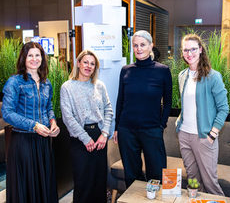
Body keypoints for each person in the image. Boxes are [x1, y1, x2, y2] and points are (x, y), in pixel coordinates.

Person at [2, 42, 60, 203]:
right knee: (26, 187)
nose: (34, 59)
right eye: (30, 55)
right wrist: (33, 125)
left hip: (42, 141)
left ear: (42, 58)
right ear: (23, 58)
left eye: (37, 55)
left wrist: (53, 122)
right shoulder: (14, 82)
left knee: (43, 185)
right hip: (23, 142)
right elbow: (7, 113)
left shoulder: (46, 82)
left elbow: (48, 107)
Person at [114, 30, 172, 188]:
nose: (139, 48)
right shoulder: (126, 70)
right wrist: (117, 127)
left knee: (157, 173)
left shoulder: (162, 71)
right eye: (135, 45)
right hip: (127, 130)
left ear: (151, 46)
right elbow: (121, 100)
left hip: (152, 129)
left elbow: (168, 102)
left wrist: (162, 125)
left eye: (142, 45)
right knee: (132, 174)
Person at [176, 34, 229, 196]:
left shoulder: (213, 77)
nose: (189, 53)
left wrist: (212, 134)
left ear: (200, 50)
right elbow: (187, 106)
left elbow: (224, 108)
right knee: (192, 180)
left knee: (210, 183)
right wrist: (179, 124)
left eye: (193, 49)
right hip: (184, 135)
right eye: (186, 50)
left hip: (204, 137)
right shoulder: (182, 75)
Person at [60, 50, 113, 203]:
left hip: (99, 137)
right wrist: (85, 139)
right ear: (78, 63)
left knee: (98, 180)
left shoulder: (99, 86)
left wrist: (104, 134)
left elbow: (108, 109)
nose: (88, 66)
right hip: (79, 138)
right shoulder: (67, 87)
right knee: (83, 181)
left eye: (92, 63)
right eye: (85, 62)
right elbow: (68, 117)